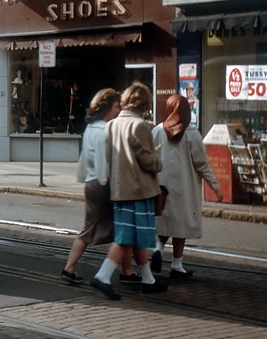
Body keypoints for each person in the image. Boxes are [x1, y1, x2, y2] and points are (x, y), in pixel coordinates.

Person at [89, 81, 168, 299]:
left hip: (119, 189)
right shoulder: (140, 126)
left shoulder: (111, 125)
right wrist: (158, 161)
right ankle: (103, 276)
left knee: (133, 236)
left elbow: (106, 158)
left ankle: (148, 279)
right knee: (127, 237)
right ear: (143, 103)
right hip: (139, 189)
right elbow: (147, 161)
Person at [61, 88, 138, 284]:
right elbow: (105, 162)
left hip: (91, 182)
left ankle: (126, 271)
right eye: (115, 106)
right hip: (103, 184)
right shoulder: (105, 130)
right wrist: (110, 185)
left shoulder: (91, 128)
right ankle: (123, 272)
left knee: (101, 228)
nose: (117, 110)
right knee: (122, 229)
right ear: (106, 108)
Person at [150, 94, 222, 278]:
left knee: (165, 222)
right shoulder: (191, 134)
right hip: (184, 188)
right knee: (180, 226)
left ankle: (158, 250)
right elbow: (202, 164)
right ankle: (177, 265)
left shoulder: (157, 131)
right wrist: (215, 186)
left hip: (162, 186)